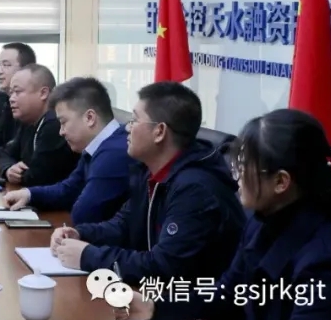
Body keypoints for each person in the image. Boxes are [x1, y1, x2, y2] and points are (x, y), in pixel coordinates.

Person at [118, 108, 331, 320]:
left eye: (245, 166)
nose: (237, 176)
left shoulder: (329, 263)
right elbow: (227, 293)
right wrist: (153, 306)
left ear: (281, 182)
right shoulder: (261, 223)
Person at [50, 82, 245, 286]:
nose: (127, 127)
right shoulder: (150, 171)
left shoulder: (195, 189)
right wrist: (81, 233)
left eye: (135, 120)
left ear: (159, 132)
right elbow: (123, 225)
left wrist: (88, 256)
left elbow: (164, 266)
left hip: (191, 301)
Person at [1, 76, 134, 224]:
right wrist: (29, 194)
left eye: (63, 122)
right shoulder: (96, 146)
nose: (61, 132)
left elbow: (83, 214)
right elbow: (68, 189)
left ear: (90, 118)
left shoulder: (114, 153)